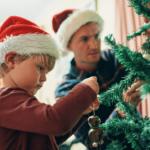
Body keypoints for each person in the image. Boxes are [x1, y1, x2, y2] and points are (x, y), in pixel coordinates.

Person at [0, 16, 101, 150]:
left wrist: (81, 112)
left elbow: (50, 135)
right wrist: (85, 90)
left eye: (46, 72)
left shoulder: (17, 100)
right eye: (40, 68)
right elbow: (55, 121)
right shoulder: (5, 99)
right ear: (12, 60)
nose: (44, 78)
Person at [52, 9, 144, 149]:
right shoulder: (66, 90)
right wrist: (121, 111)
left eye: (97, 36)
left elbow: (142, 69)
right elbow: (92, 143)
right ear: (69, 45)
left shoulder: (115, 57)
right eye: (84, 39)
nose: (94, 45)